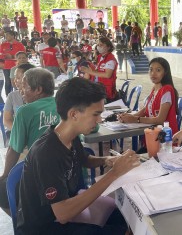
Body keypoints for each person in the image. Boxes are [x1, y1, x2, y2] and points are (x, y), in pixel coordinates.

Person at [16, 77, 140, 234]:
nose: (100, 120)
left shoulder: (69, 136)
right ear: (73, 114)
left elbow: (84, 160)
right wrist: (115, 173)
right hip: (45, 227)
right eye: (96, 114)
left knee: (125, 217)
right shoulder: (47, 153)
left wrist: (108, 160)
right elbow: (63, 214)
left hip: (63, 212)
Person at [0, 68, 60, 215]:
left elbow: (14, 149)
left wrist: (5, 175)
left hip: (38, 173)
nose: (21, 90)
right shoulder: (63, 105)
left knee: (2, 188)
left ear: (38, 89)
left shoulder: (24, 111)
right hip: (66, 169)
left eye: (25, 86)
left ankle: (21, 220)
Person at [118, 57, 179, 134]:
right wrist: (128, 116)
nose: (153, 73)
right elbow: (146, 109)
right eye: (151, 69)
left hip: (166, 138)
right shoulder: (155, 88)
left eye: (158, 70)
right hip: (154, 133)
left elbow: (160, 119)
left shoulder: (167, 90)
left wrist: (136, 119)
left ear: (165, 72)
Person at [3, 63, 35, 143]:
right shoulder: (12, 96)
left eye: (18, 78)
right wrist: (20, 132)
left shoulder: (38, 95)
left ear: (28, 79)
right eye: (15, 77)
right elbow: (6, 120)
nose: (14, 80)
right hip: (17, 133)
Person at [80, 37, 118, 102]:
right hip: (98, 87)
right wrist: (88, 70)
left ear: (108, 47)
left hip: (106, 92)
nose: (98, 47)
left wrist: (90, 72)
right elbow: (98, 71)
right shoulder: (100, 57)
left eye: (101, 45)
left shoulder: (110, 59)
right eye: (98, 45)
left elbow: (107, 75)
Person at [0, 30, 26, 95]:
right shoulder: (3, 45)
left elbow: (23, 55)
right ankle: (8, 96)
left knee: (17, 81)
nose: (6, 37)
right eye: (5, 36)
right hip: (6, 66)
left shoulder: (19, 45)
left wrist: (11, 57)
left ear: (13, 36)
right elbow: (1, 55)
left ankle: (18, 95)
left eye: (8, 35)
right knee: (8, 82)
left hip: (17, 66)